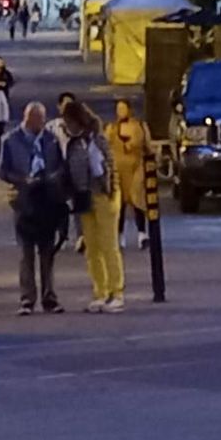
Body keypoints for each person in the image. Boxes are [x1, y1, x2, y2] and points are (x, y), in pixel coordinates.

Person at [0, 102, 66, 314]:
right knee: (26, 254)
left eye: (44, 119)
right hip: (24, 202)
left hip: (47, 201)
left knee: (48, 253)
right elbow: (3, 172)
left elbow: (60, 166)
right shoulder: (11, 140)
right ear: (29, 119)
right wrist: (21, 180)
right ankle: (27, 299)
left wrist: (54, 178)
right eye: (40, 120)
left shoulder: (51, 140)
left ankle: (50, 298)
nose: (43, 124)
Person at [62, 99, 125, 312]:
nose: (66, 126)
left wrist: (112, 192)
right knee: (92, 247)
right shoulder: (72, 144)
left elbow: (111, 165)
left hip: (102, 194)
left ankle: (117, 292)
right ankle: (100, 291)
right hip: (83, 197)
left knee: (109, 245)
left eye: (68, 121)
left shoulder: (98, 139)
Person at [108, 98, 151, 250]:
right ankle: (119, 235)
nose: (121, 112)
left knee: (137, 199)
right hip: (118, 170)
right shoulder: (112, 128)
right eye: (118, 109)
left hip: (135, 168)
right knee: (120, 204)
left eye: (123, 108)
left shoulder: (137, 126)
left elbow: (143, 143)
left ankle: (142, 233)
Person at [53, 92, 82, 253]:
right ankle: (62, 235)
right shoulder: (53, 127)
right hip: (59, 169)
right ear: (59, 107)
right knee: (60, 205)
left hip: (77, 168)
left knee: (79, 203)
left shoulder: (82, 126)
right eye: (64, 105)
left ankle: (81, 236)